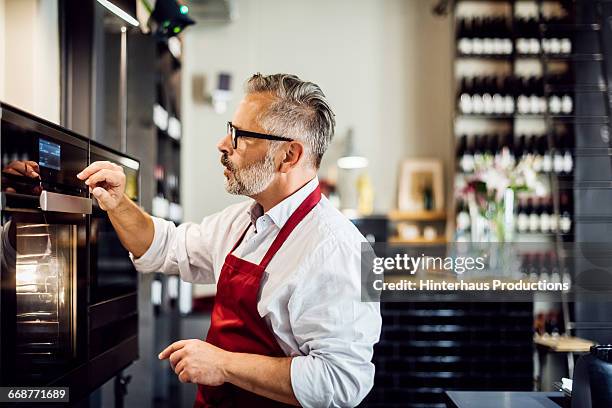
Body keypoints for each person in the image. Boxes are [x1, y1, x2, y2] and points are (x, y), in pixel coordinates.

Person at [77, 73, 381, 407]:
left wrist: (222, 364)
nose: (223, 144)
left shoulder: (341, 248)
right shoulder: (243, 220)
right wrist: (119, 204)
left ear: (288, 156)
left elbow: (341, 381)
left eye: (239, 135)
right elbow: (165, 247)